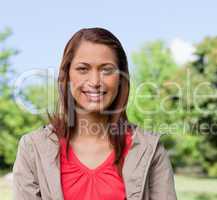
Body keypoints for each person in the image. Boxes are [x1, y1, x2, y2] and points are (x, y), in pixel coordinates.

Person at [12, 27, 177, 200]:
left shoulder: (149, 149)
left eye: (107, 70)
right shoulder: (33, 148)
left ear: (121, 79)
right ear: (67, 76)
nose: (95, 81)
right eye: (83, 69)